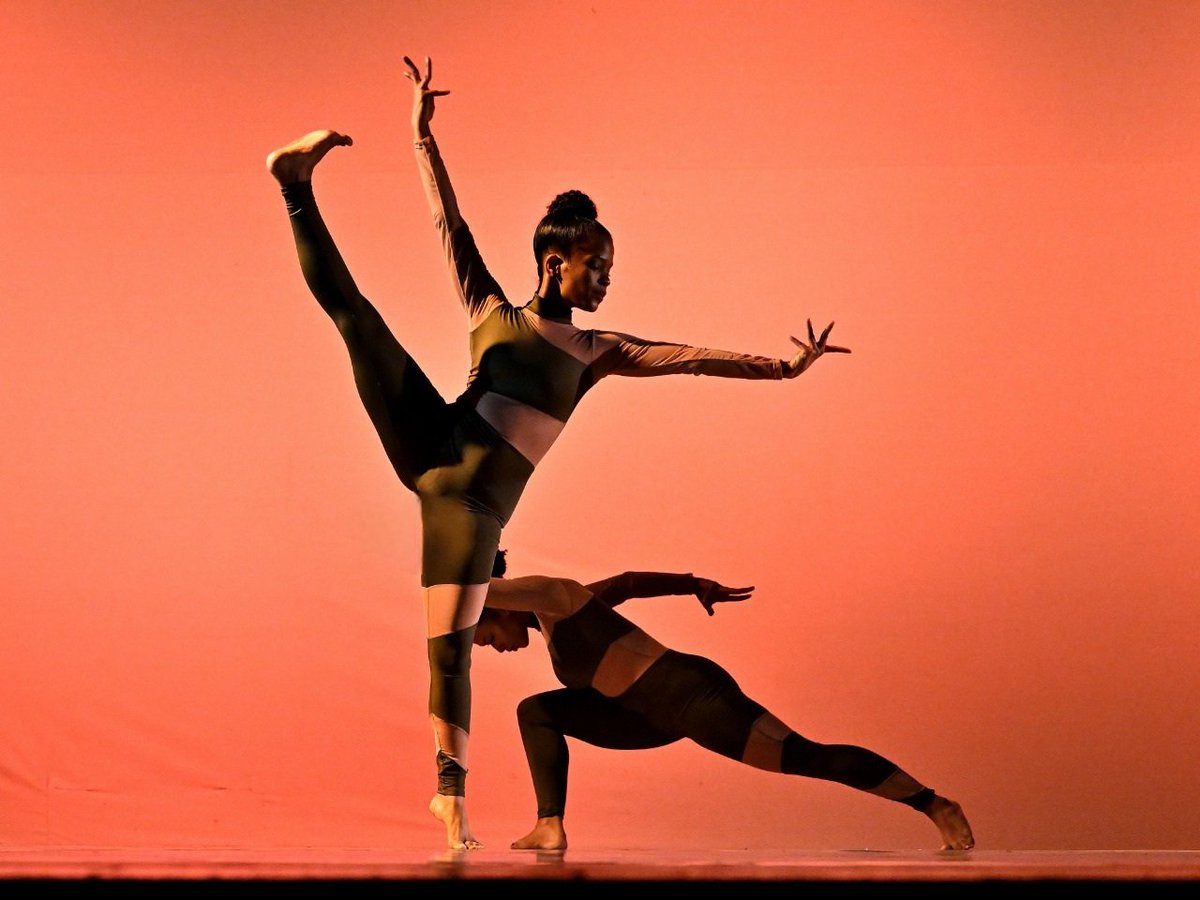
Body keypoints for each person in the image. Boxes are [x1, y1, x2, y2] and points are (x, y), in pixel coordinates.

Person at [264, 55, 850, 851]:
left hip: (465, 509)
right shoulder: (490, 308)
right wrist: (421, 135)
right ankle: (294, 184)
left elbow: (690, 356)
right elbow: (449, 222)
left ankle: (450, 798)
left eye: (609, 268)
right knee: (357, 321)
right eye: (596, 266)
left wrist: (783, 368)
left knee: (450, 645)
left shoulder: (600, 350)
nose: (606, 279)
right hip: (432, 443)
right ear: (556, 263)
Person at [477, 549, 974, 852]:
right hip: (642, 715)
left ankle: (934, 804)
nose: (491, 647)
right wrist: (692, 585)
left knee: (804, 756)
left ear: (497, 605)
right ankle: (549, 825)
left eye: (484, 636)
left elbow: (472, 589)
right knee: (537, 710)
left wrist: (455, 571)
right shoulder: (558, 616)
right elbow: (625, 585)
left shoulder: (553, 595)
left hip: (691, 697)